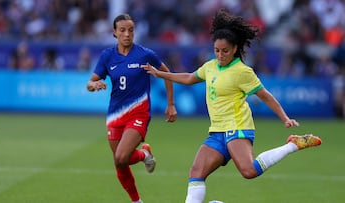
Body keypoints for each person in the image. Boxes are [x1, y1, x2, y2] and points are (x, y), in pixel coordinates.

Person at [142, 9, 322, 203]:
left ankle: (292, 145)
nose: (220, 55)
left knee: (249, 171)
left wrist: (285, 118)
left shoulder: (242, 71)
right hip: (217, 132)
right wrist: (160, 74)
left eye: (225, 51)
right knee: (196, 172)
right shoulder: (210, 66)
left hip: (237, 127)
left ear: (235, 48)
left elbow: (265, 95)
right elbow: (188, 78)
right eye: (217, 51)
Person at [86, 14, 177, 203]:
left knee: (121, 156)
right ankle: (137, 197)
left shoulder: (145, 54)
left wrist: (170, 104)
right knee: (120, 162)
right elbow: (91, 81)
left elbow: (167, 74)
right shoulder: (107, 56)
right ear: (114, 33)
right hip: (115, 115)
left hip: (139, 113)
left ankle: (143, 155)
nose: (127, 34)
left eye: (131, 30)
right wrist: (94, 85)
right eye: (122, 30)